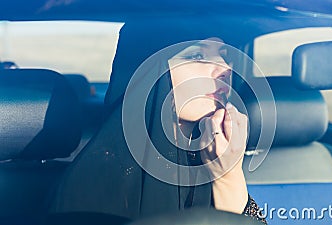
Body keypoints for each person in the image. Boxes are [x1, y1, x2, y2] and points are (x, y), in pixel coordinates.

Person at [50, 22, 267, 224]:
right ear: (150, 72)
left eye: (224, 55)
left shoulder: (210, 158)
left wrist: (228, 176)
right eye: (197, 55)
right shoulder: (94, 185)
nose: (224, 67)